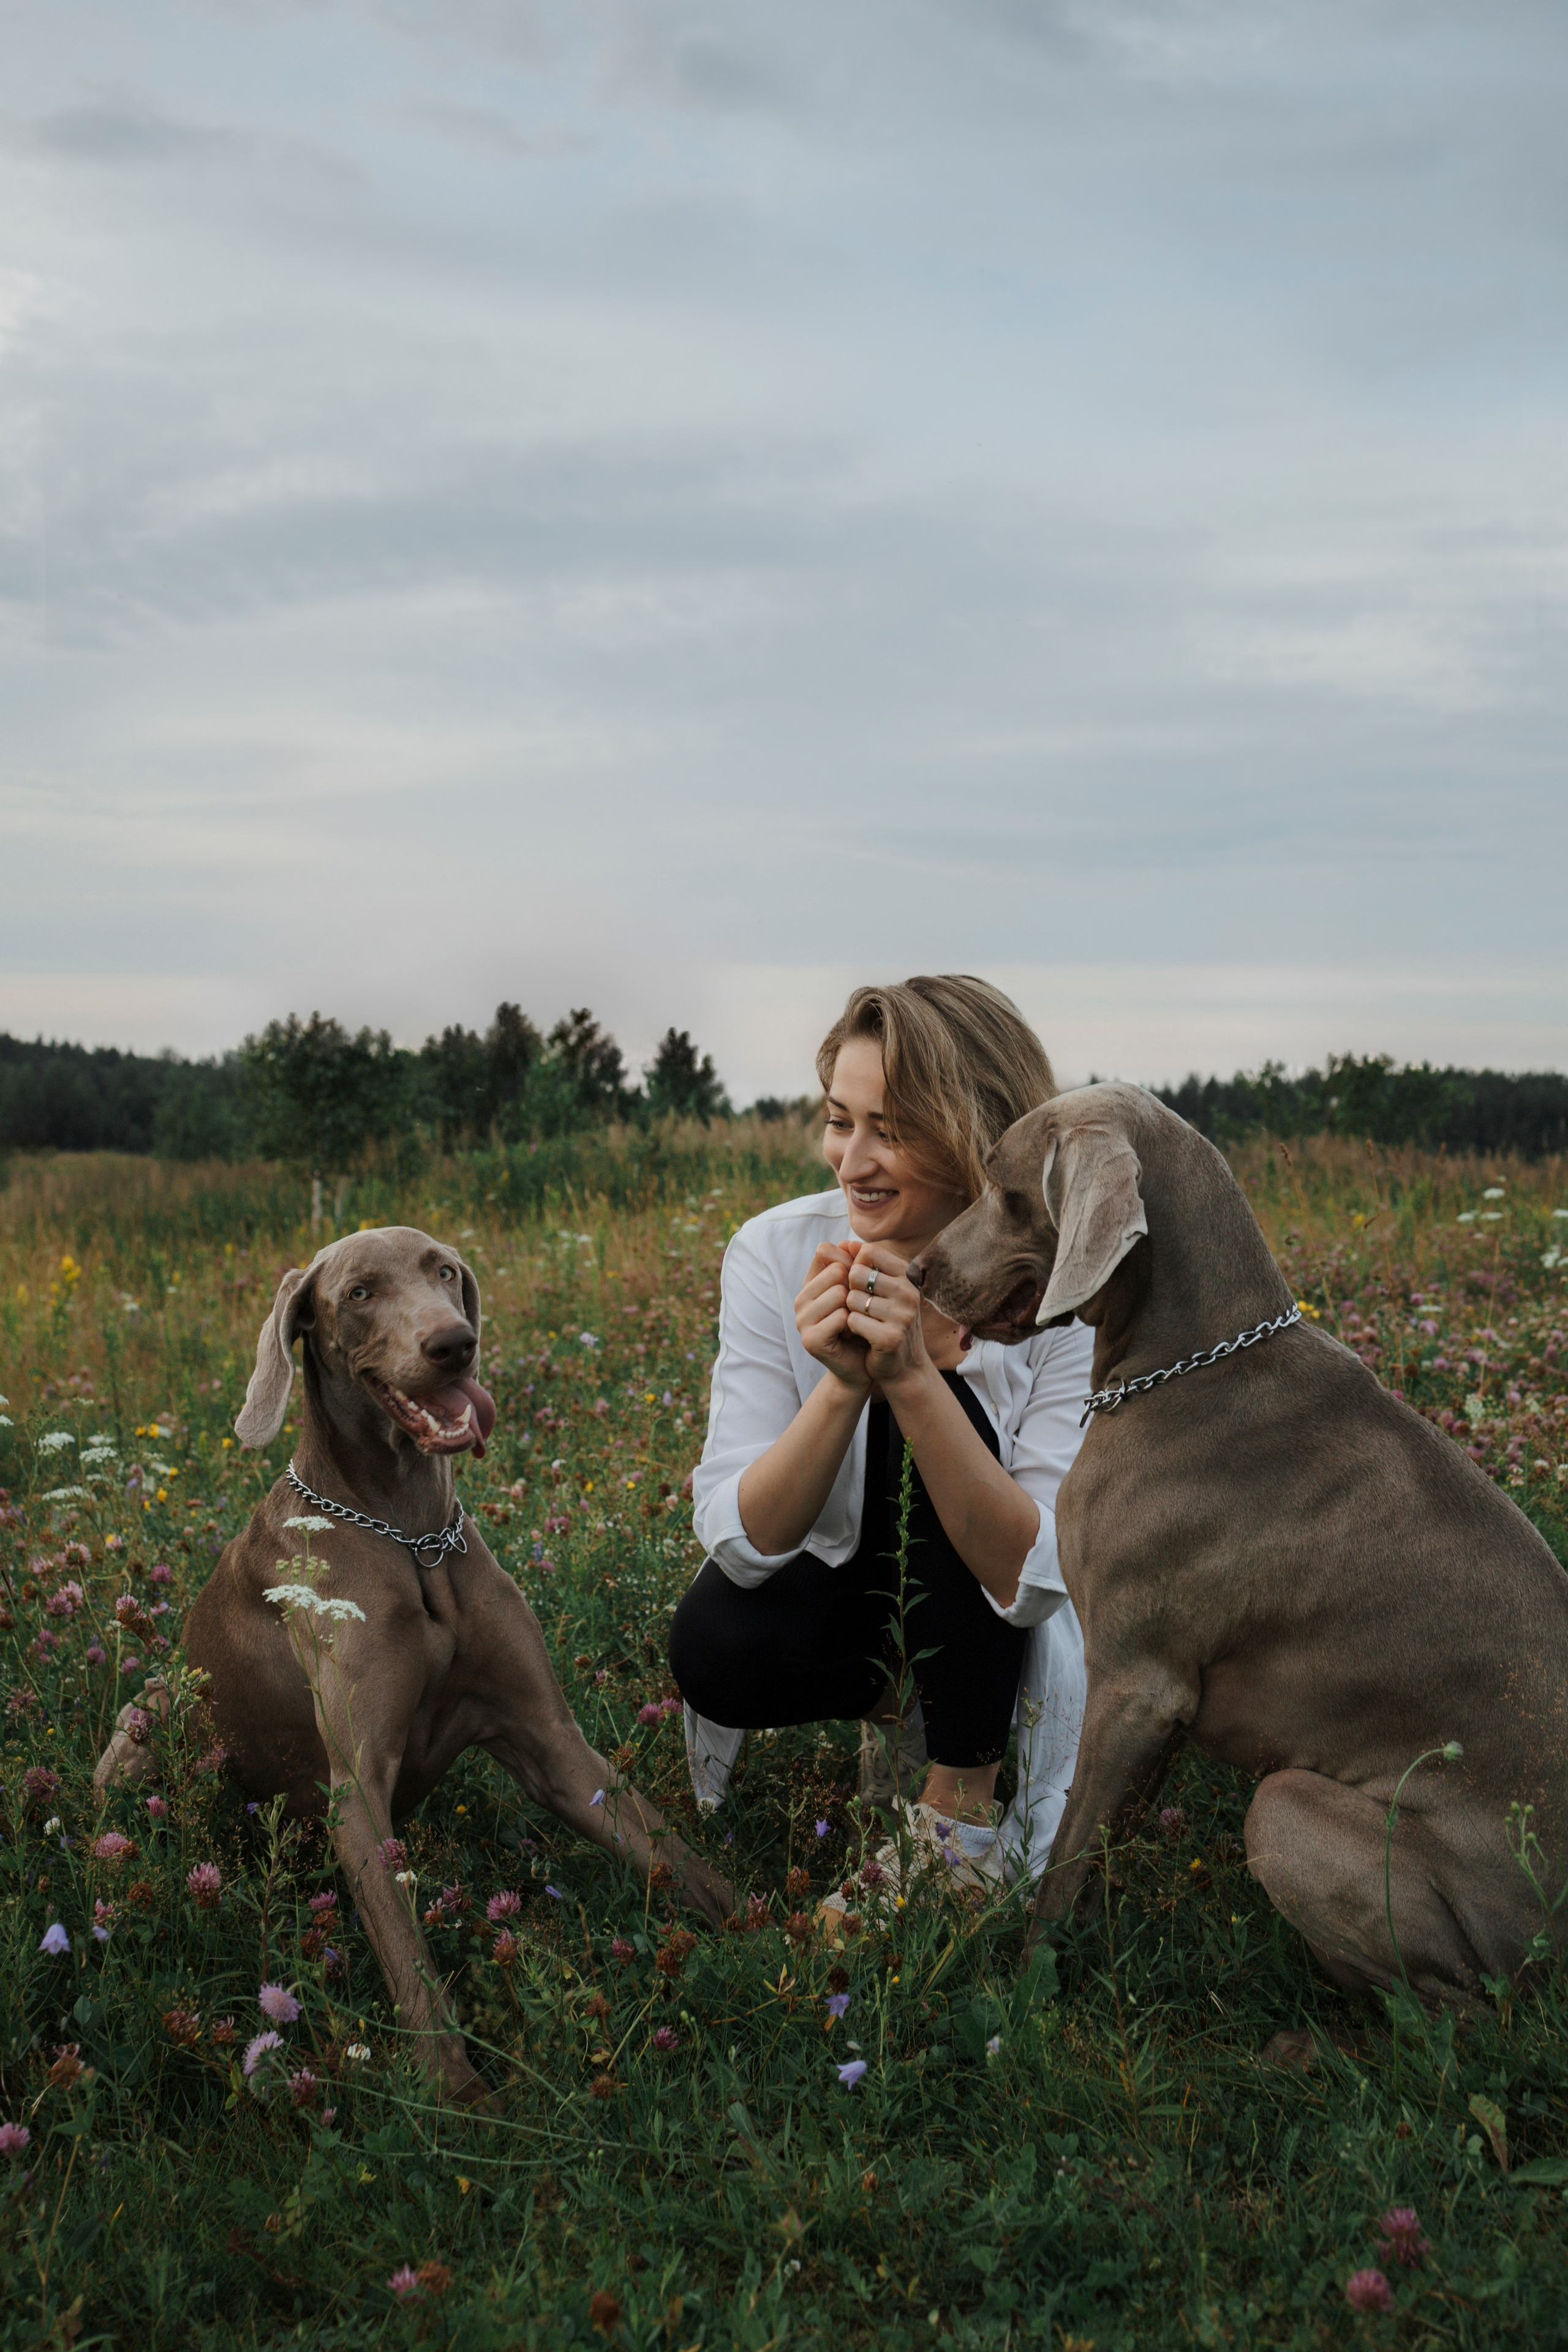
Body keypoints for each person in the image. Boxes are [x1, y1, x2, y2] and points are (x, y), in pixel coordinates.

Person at [669, 974, 1091, 1894]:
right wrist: (844, 1386)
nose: (850, 1160)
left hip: (1005, 1610)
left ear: (975, 1135)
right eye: (839, 1119)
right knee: (711, 1641)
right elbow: (742, 1543)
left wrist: (919, 1377)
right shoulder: (776, 1251)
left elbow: (1033, 1578)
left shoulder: (1067, 1297)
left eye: (890, 1131)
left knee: (937, 1417)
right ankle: (925, 1711)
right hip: (857, 1601)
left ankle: (958, 1821)